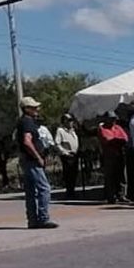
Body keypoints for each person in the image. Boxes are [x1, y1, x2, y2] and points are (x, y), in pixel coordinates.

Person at [17, 96, 56, 229]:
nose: (37, 109)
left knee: (30, 191)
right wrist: (38, 157)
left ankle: (32, 220)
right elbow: (27, 141)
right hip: (32, 161)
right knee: (44, 188)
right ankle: (43, 218)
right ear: (26, 109)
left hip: (26, 160)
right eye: (34, 107)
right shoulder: (27, 122)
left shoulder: (23, 122)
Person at [99, 111, 129, 204]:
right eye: (111, 119)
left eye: (114, 119)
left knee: (122, 175)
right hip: (109, 155)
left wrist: (117, 141)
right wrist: (116, 140)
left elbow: (125, 138)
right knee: (110, 176)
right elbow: (107, 139)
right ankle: (111, 196)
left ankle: (122, 195)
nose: (113, 121)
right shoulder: (102, 128)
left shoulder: (118, 127)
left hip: (120, 154)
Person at [54, 113, 80, 199]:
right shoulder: (60, 131)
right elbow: (57, 143)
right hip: (67, 155)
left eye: (71, 120)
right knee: (68, 174)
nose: (70, 122)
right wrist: (64, 152)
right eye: (68, 120)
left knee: (74, 173)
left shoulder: (73, 131)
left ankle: (72, 191)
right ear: (64, 121)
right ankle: (69, 192)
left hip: (75, 155)